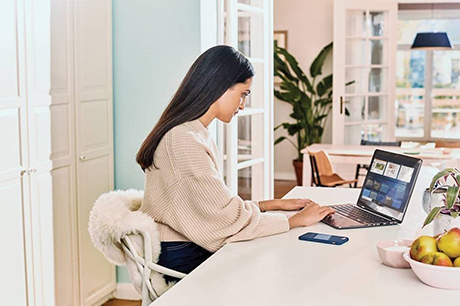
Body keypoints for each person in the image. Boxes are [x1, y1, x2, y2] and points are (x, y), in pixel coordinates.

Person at [136, 45, 335, 283]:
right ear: (219, 86)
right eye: (243, 93)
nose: (242, 105)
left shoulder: (194, 133)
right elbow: (223, 222)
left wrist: (270, 205)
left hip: (186, 245)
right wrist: (293, 220)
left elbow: (214, 208)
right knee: (279, 267)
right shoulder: (183, 141)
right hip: (183, 256)